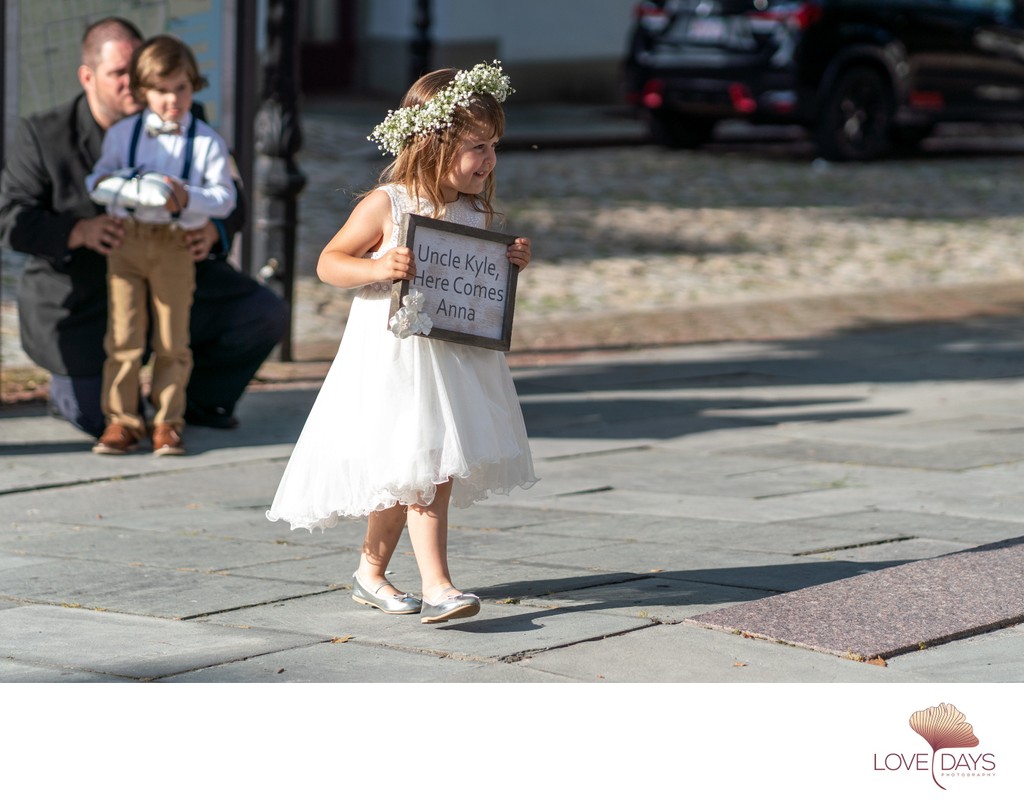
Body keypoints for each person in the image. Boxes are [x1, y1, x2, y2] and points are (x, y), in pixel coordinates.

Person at [266, 62, 536, 624]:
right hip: (395, 358)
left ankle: (370, 572)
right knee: (426, 465)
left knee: (409, 467)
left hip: (451, 357)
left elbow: (470, 279)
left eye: (494, 147)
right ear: (432, 145)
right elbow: (327, 263)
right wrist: (377, 266)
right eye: (476, 146)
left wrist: (508, 263)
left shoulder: (471, 211)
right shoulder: (387, 204)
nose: (488, 160)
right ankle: (438, 586)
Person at [0, 17, 287, 440]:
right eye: (119, 73)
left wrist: (213, 231)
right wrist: (78, 231)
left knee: (263, 312)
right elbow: (11, 220)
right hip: (84, 297)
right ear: (87, 77)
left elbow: (233, 198)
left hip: (173, 268)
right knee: (96, 415)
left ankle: (193, 404)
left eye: (138, 72)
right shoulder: (43, 133)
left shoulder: (187, 118)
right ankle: (91, 401)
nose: (132, 83)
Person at [85, 34, 237, 456]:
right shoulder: (123, 135)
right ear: (142, 91)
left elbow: (225, 198)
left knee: (173, 338)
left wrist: (188, 197)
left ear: (193, 86)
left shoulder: (206, 141)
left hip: (174, 242)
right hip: (128, 241)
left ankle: (167, 421)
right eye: (161, 90)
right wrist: (121, 191)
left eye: (181, 89)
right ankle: (121, 420)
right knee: (123, 336)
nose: (172, 100)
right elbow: (97, 179)